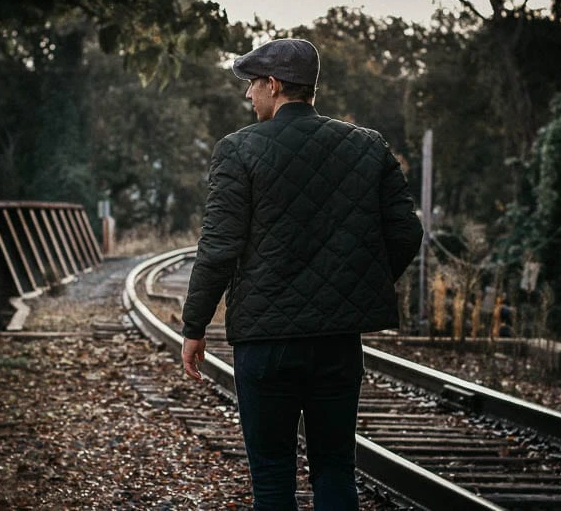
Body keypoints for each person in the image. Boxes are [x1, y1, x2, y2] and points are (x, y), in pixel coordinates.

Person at [180, 38, 424, 510]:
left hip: (265, 342)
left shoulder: (238, 150)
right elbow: (406, 233)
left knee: (272, 478)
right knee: (335, 471)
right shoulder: (366, 145)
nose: (248, 96)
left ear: (273, 85)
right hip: (336, 340)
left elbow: (218, 248)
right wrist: (356, 284)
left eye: (252, 84)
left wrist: (195, 326)